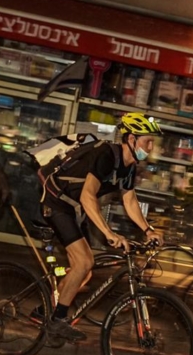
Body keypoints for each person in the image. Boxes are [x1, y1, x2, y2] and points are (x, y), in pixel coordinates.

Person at [38, 112, 162, 341]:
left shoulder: (129, 166)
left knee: (84, 271)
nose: (151, 147)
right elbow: (88, 196)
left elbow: (130, 200)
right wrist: (108, 233)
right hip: (57, 202)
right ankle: (57, 321)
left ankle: (44, 311)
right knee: (84, 261)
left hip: (74, 209)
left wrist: (148, 230)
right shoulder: (106, 155)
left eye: (153, 142)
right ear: (131, 139)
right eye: (147, 141)